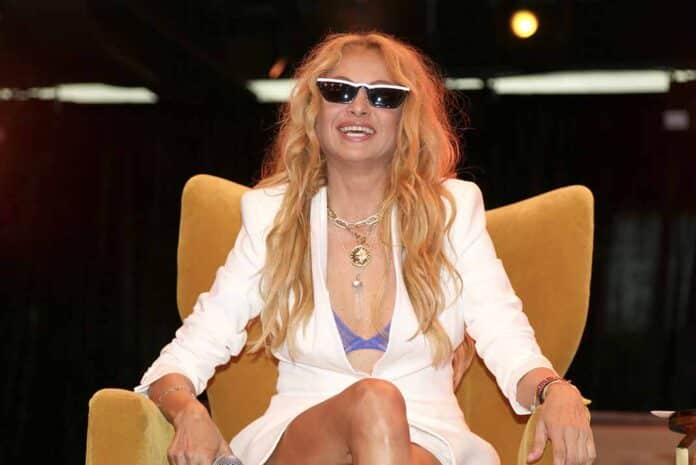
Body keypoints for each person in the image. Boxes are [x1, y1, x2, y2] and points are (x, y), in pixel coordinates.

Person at [135, 31, 595, 465]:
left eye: (382, 96)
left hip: (427, 436)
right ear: (314, 110)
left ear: (406, 117)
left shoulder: (451, 211)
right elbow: (182, 358)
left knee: (383, 408)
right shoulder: (271, 215)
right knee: (375, 399)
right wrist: (188, 410)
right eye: (338, 90)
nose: (358, 106)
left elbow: (505, 336)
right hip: (304, 439)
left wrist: (553, 389)